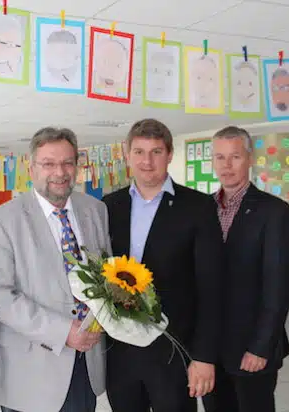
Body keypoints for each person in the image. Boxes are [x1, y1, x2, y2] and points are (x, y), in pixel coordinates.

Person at [0, 127, 110, 412]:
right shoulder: (2, 220)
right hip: (31, 371)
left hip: (85, 363)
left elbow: (107, 277)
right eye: (48, 163)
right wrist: (64, 331)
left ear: (77, 165)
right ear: (31, 167)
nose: (59, 172)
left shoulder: (95, 210)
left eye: (67, 163)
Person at [102, 118, 223, 412]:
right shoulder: (108, 206)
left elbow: (212, 287)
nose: (147, 161)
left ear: (170, 155)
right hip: (121, 352)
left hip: (174, 351)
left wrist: (204, 357)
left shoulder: (198, 207)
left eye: (156, 152)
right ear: (127, 155)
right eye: (139, 152)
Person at [203, 126, 289, 412]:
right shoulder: (203, 209)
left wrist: (260, 346)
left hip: (251, 348)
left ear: (249, 158)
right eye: (220, 157)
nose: (226, 165)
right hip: (210, 349)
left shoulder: (273, 211)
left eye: (235, 157)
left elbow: (278, 286)